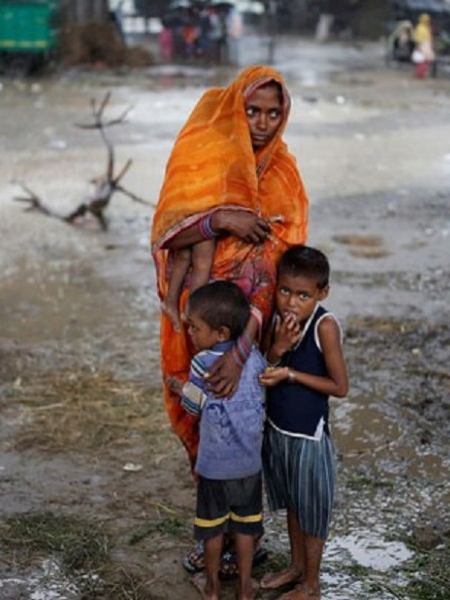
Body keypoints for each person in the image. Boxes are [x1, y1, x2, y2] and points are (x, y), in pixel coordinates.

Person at [151, 65, 309, 576]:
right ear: (233, 108)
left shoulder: (284, 173)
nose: (262, 123)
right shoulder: (203, 151)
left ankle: (247, 537)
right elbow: (166, 232)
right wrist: (218, 219)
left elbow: (284, 265)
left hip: (254, 330)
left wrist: (243, 350)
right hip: (194, 321)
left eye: (273, 113)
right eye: (252, 111)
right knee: (201, 422)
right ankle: (210, 536)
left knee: (246, 427)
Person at [258, 246, 349, 600]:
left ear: (321, 293)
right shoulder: (278, 321)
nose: (291, 302)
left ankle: (311, 584)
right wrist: (278, 348)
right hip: (278, 430)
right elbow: (265, 367)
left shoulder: (324, 326)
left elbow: (340, 387)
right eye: (285, 291)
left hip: (308, 437)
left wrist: (291, 373)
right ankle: (296, 568)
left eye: (303, 295)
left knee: (312, 511)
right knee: (294, 504)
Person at [165, 281, 266, 600]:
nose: (191, 334)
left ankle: (210, 587)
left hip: (214, 468)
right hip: (249, 464)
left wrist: (181, 389)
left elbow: (196, 406)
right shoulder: (254, 358)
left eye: (195, 328)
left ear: (221, 333)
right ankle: (246, 587)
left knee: (212, 529)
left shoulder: (201, 363)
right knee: (246, 527)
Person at [412, 13, 435, 79]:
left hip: (427, 45)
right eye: (426, 20)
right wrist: (418, 46)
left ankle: (422, 74)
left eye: (428, 20)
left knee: (426, 61)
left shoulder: (427, 28)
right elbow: (417, 38)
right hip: (421, 45)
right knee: (421, 61)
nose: (427, 22)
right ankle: (419, 74)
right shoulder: (419, 27)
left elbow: (429, 38)